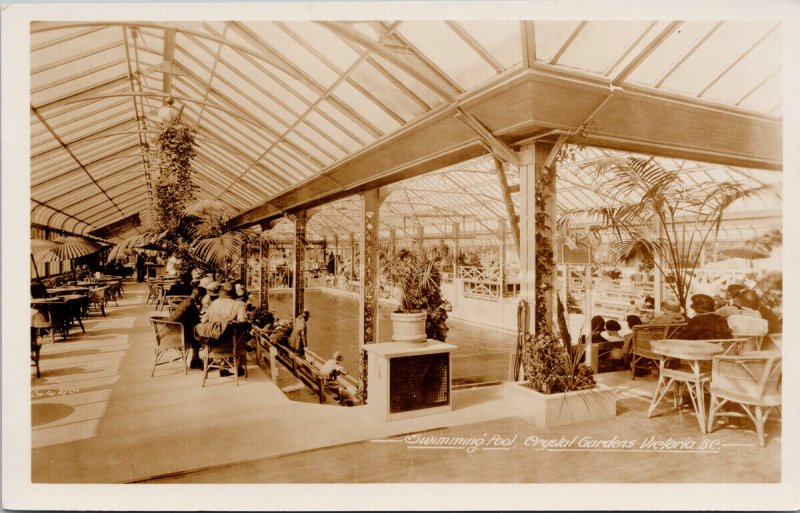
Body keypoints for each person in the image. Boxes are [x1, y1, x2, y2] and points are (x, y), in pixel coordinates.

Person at [196, 282, 248, 377]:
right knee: (242, 331)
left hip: (213, 343)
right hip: (231, 345)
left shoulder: (214, 303)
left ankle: (222, 367)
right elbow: (242, 321)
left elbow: (203, 320)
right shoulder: (239, 304)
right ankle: (238, 367)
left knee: (217, 331)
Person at [169, 287, 206, 369]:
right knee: (200, 333)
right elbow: (197, 321)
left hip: (172, 331)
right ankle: (200, 358)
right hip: (179, 335)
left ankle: (195, 359)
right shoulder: (190, 305)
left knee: (195, 330)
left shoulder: (186, 302)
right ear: (200, 297)